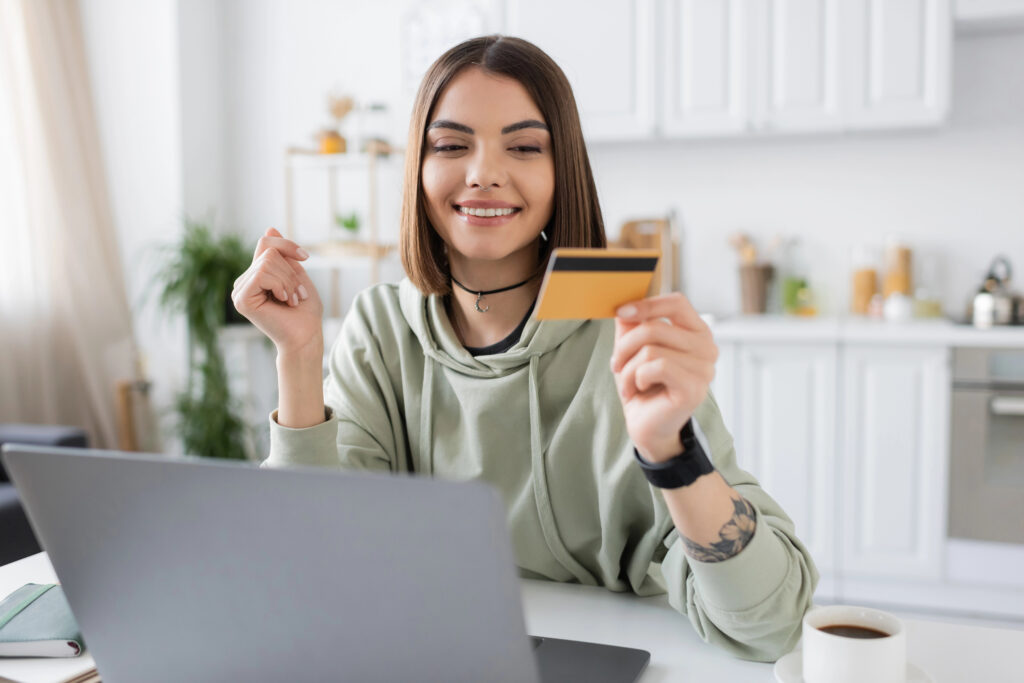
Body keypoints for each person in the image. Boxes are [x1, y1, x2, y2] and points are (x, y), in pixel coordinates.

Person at [233, 35, 817, 662]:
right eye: (452, 145)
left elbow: (774, 623)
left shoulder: (625, 333)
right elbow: (313, 564)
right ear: (418, 170)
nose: (484, 172)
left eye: (524, 146)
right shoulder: (380, 327)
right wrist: (297, 357)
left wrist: (670, 453)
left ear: (561, 169)